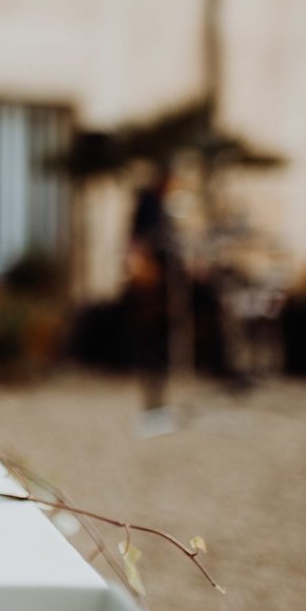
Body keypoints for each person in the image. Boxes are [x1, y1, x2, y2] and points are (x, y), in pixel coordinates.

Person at [125, 163, 182, 434]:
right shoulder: (149, 207)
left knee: (159, 348)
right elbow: (139, 243)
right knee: (152, 347)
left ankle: (159, 405)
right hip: (152, 292)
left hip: (162, 291)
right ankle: (152, 406)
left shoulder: (160, 207)